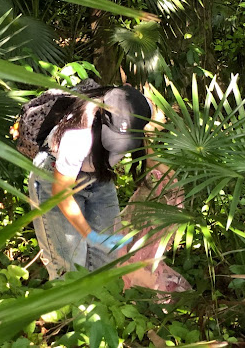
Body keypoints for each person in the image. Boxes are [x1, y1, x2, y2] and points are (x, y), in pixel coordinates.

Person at [28, 85, 153, 279]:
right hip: (56, 178)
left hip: (98, 177)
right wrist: (90, 235)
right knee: (71, 265)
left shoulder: (140, 108)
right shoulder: (78, 135)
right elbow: (62, 194)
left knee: (108, 258)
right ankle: (71, 308)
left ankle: (97, 306)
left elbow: (152, 129)